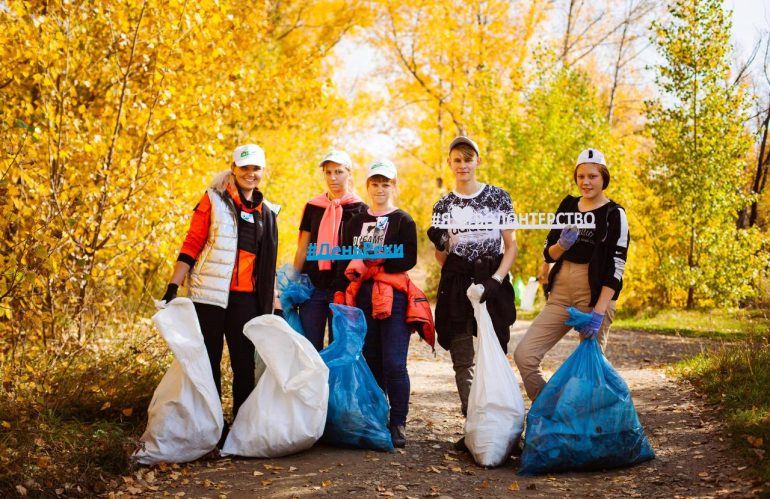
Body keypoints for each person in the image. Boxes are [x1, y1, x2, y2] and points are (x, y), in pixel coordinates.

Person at [159, 143, 279, 426]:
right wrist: (174, 285)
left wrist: (274, 298)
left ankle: (242, 427)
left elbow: (267, 264)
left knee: (244, 365)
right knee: (208, 362)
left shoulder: (268, 213)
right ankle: (210, 426)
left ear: (263, 172)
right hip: (209, 296)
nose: (250, 174)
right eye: (245, 168)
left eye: (256, 169)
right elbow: (192, 243)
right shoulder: (212, 200)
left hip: (247, 300)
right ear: (233, 168)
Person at [514, 148, 629, 401]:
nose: (586, 182)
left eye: (593, 176)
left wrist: (598, 313)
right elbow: (548, 254)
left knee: (589, 374)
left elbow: (616, 267)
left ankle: (584, 431)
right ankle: (550, 409)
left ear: (604, 178)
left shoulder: (614, 215)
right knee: (525, 354)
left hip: (595, 296)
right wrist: (562, 245)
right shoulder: (567, 205)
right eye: (581, 177)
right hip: (561, 292)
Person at [334, 159, 431, 448]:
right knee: (372, 360)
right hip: (363, 296)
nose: (379, 188)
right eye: (375, 183)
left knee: (393, 362)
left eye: (385, 183)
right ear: (367, 186)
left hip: (395, 298)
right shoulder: (355, 221)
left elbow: (408, 259)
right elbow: (344, 257)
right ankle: (377, 417)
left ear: (394, 185)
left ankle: (398, 422)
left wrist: (376, 258)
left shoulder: (403, 220)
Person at [427, 136, 518, 436]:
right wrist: (442, 242)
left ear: (478, 161)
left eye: (468, 158)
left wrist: (495, 280)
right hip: (457, 282)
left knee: (495, 350)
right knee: (462, 356)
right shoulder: (443, 205)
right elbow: (443, 256)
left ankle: (500, 424)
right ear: (451, 164)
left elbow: (511, 245)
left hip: (492, 277)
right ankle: (475, 426)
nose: (463, 165)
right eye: (457, 159)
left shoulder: (498, 197)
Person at [293, 150, 367, 351]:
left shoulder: (362, 210)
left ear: (349, 173)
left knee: (340, 349)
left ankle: (337, 385)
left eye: (339, 172)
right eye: (328, 172)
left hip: (344, 289)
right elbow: (302, 249)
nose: (333, 177)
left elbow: (365, 256)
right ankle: (313, 384)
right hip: (313, 288)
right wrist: (292, 283)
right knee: (309, 349)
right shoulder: (313, 207)